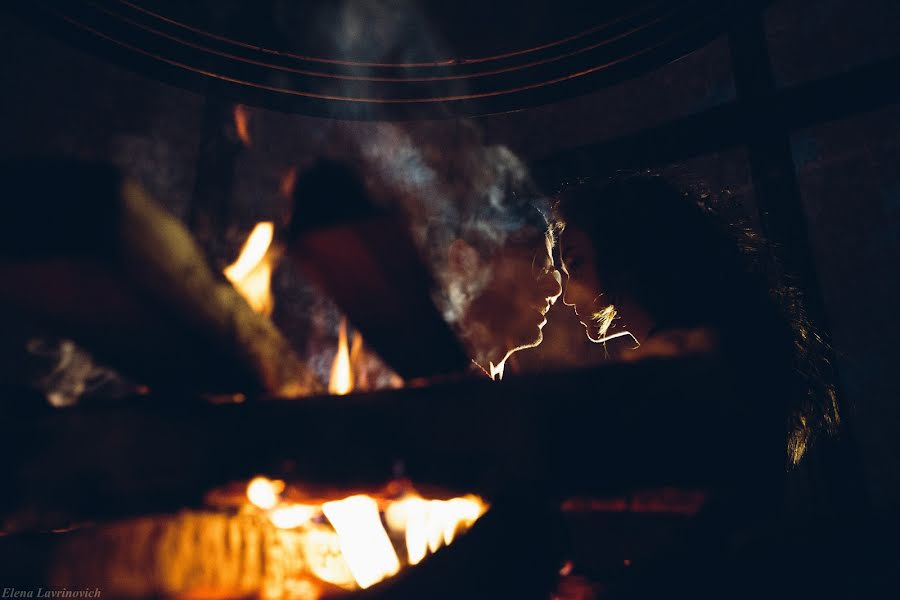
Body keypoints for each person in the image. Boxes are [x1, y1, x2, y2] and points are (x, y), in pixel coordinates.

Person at [553, 173, 839, 465]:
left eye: (575, 265)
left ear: (623, 253)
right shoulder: (730, 356)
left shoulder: (675, 377)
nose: (567, 297)